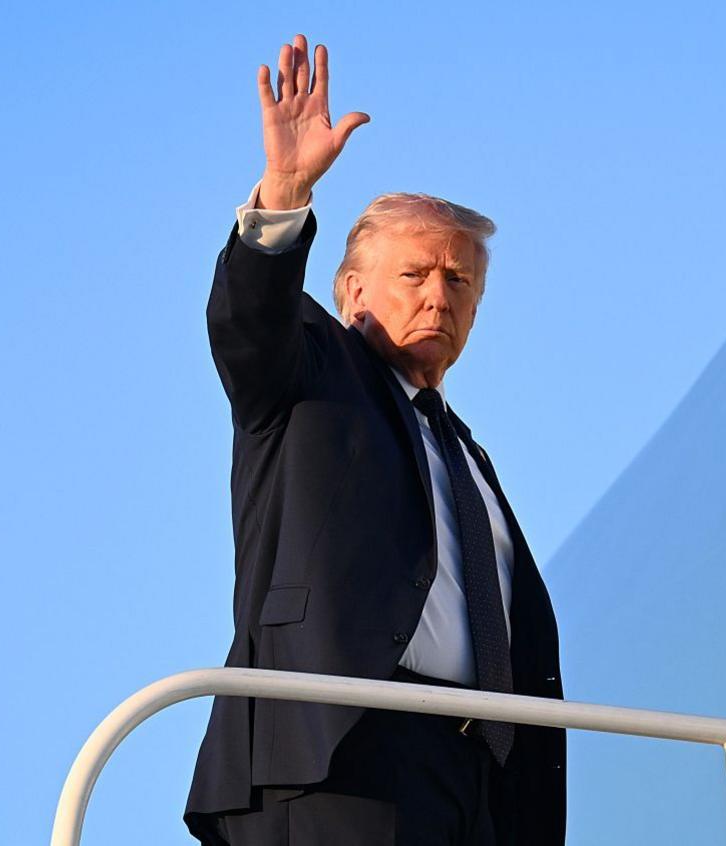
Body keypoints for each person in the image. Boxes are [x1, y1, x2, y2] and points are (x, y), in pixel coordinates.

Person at [183, 33, 565, 846]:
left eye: (459, 281)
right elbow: (250, 325)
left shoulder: (467, 456)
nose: (439, 296)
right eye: (415, 275)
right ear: (352, 290)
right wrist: (284, 191)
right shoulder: (314, 374)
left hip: (476, 784)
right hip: (341, 756)